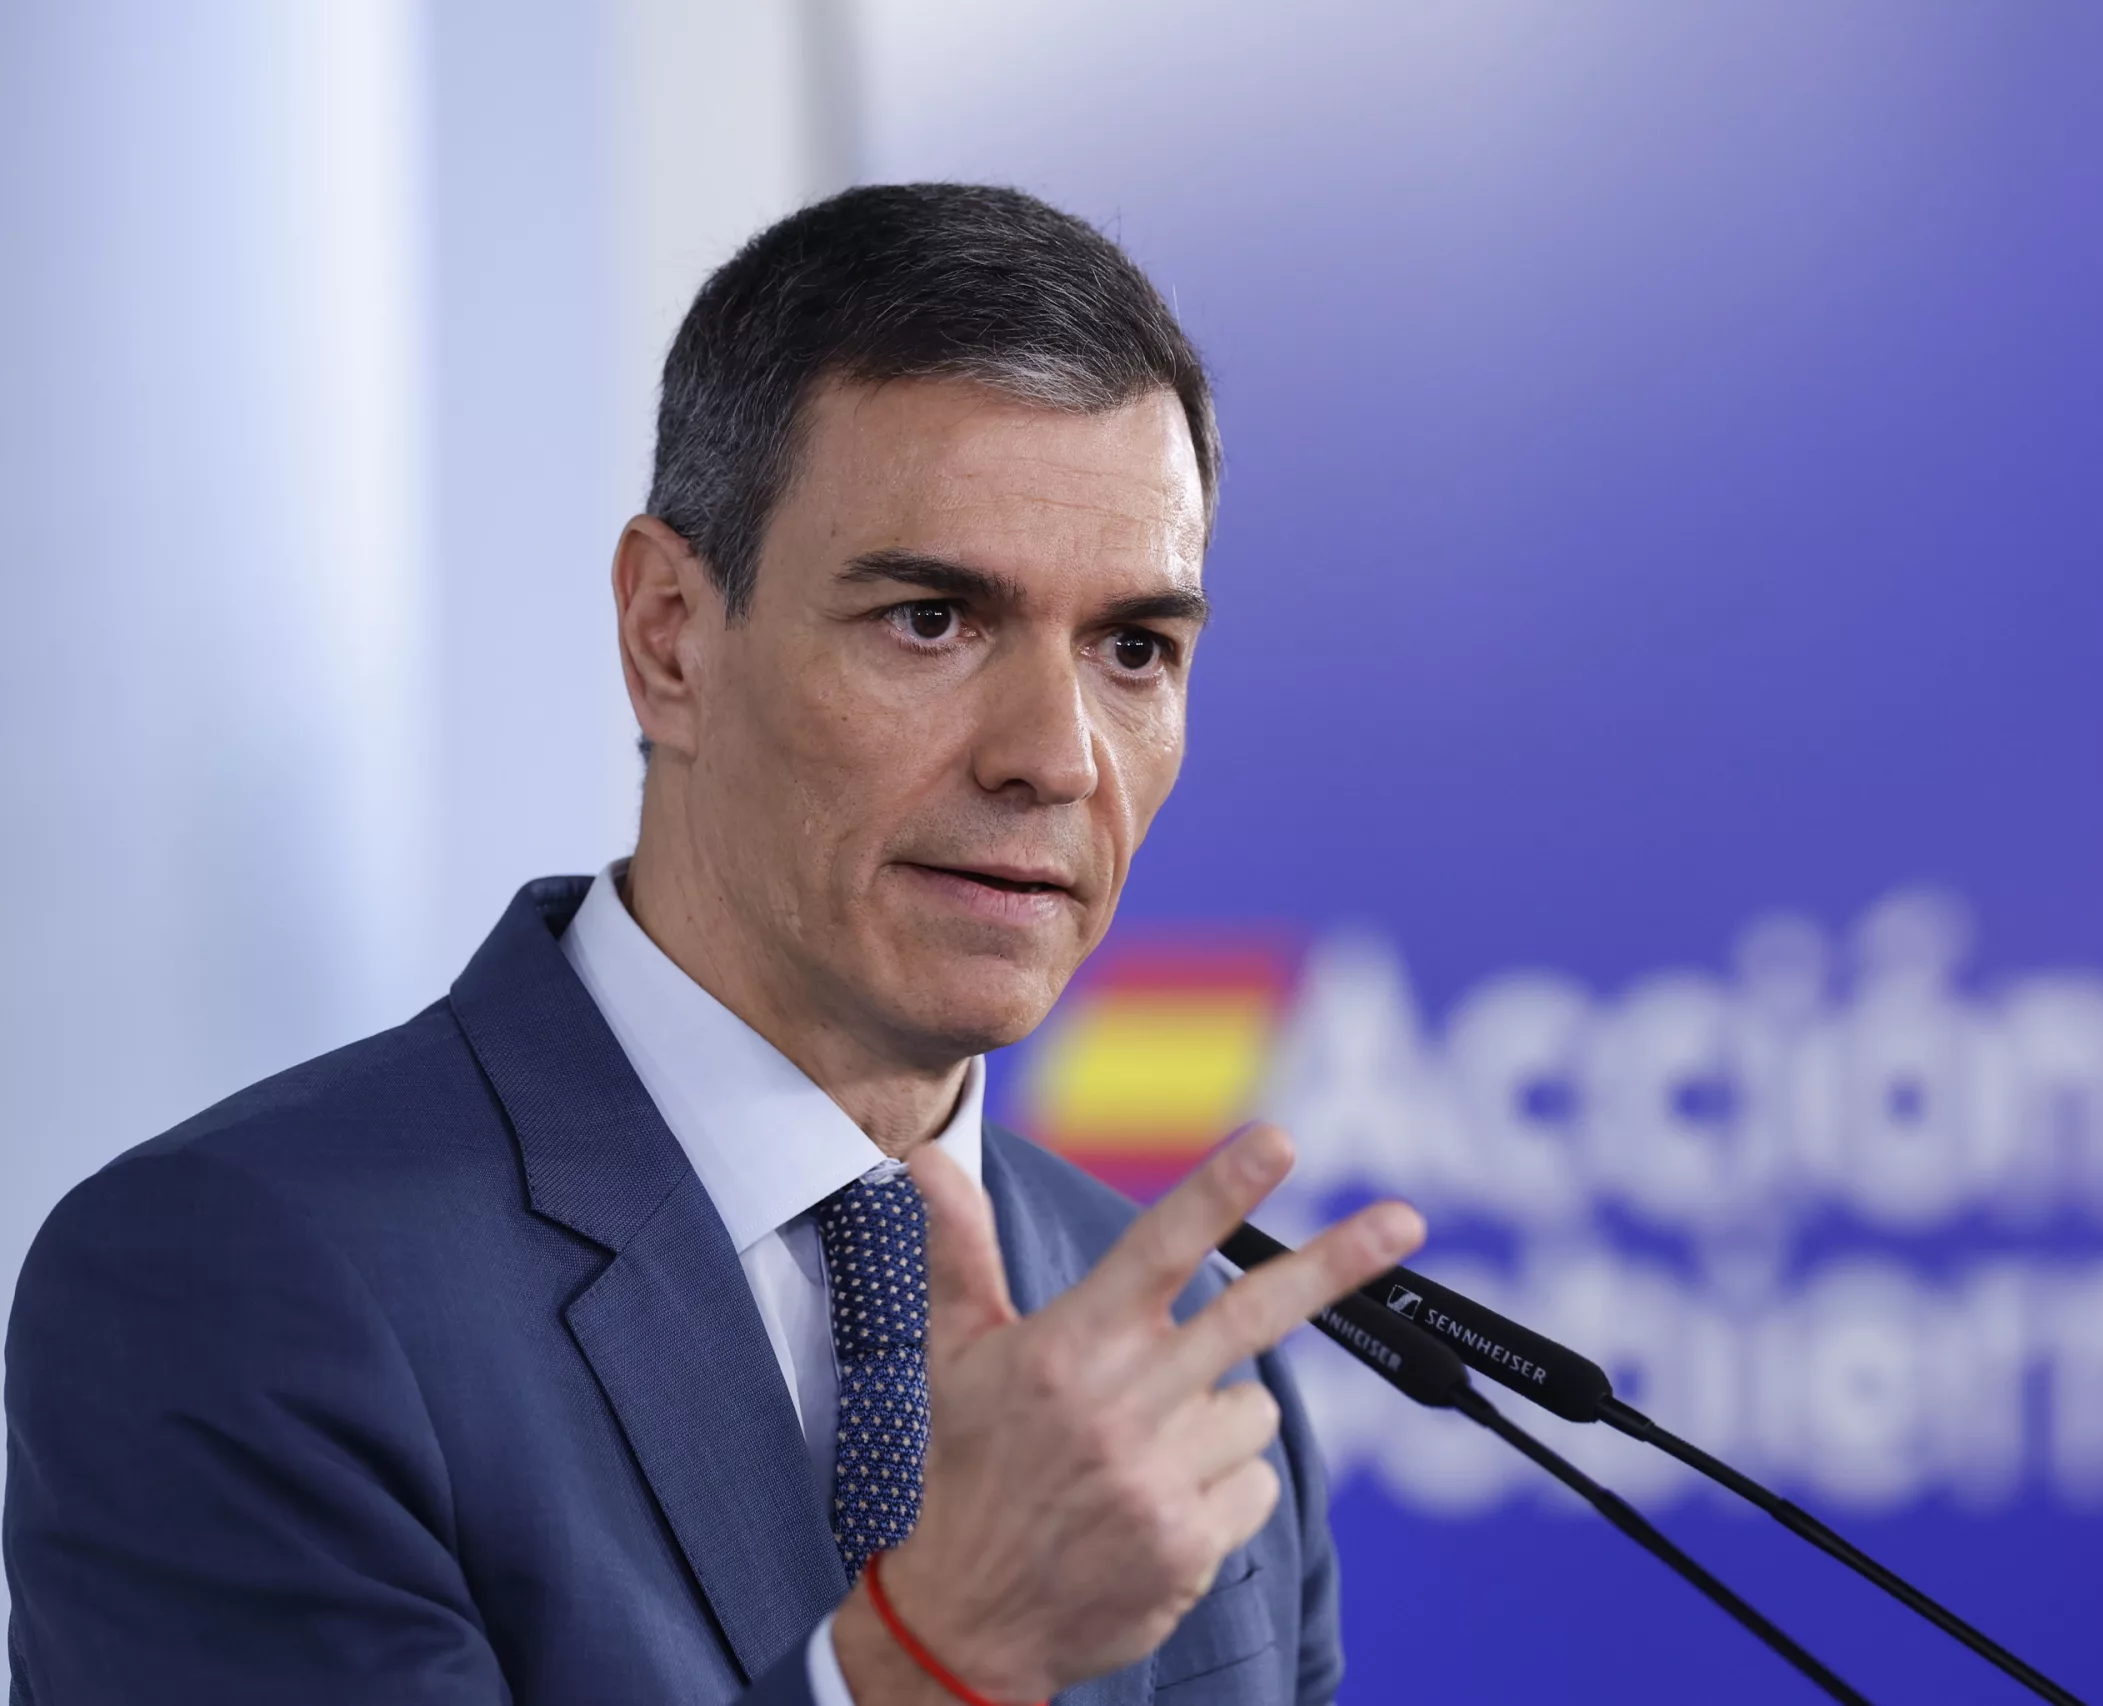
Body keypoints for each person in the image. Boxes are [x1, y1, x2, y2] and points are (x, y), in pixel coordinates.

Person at [2, 183, 1422, 1706]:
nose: (1055, 757)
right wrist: (933, 1660)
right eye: (931, 619)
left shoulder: (1191, 1354)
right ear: (669, 634)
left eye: (1135, 648)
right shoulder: (240, 1279)